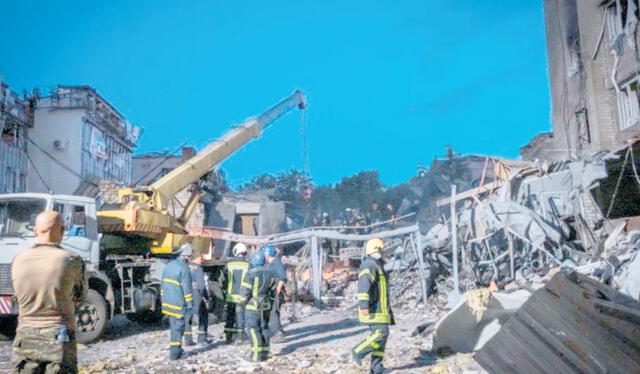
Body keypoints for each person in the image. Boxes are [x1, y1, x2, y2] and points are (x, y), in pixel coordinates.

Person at [11, 210, 87, 374]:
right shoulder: (71, 260)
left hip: (25, 335)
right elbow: (81, 296)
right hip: (59, 337)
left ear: (35, 231)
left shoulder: (18, 260)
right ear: (62, 231)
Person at [351, 238, 395, 374]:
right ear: (375, 250)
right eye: (381, 250)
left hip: (381, 310)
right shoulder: (368, 265)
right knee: (380, 333)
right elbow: (364, 287)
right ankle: (358, 351)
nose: (383, 253)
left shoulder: (377, 265)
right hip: (374, 310)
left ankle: (376, 368)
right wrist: (363, 305)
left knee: (383, 336)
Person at [241, 250, 277, 362]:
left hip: (252, 306)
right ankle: (265, 353)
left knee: (253, 329)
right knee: (264, 328)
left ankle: (256, 355)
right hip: (265, 305)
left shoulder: (250, 274)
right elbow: (273, 291)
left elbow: (245, 292)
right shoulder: (271, 273)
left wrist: (242, 303)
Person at [161, 243, 194, 360]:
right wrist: (190, 305)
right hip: (178, 304)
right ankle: (175, 354)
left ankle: (176, 350)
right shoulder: (184, 269)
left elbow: (162, 285)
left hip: (167, 303)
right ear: (186, 256)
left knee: (173, 327)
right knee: (178, 329)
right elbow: (187, 290)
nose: (190, 259)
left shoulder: (168, 265)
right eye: (190, 257)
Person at [223, 242, 250, 344]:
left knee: (230, 315)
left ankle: (228, 337)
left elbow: (223, 279)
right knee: (241, 316)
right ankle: (240, 337)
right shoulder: (248, 264)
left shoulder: (229, 264)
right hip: (242, 295)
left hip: (230, 295)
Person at [184, 248, 211, 346]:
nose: (202, 259)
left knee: (188, 317)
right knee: (203, 315)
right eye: (201, 257)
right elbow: (202, 286)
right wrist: (206, 297)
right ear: (195, 258)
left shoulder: (185, 267)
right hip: (197, 295)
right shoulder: (198, 268)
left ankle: (188, 340)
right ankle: (202, 338)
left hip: (187, 295)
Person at [263, 245, 287, 341]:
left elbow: (282, 278)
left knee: (274, 312)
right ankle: (278, 329)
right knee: (272, 312)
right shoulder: (271, 263)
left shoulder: (277, 263)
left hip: (276, 292)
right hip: (271, 292)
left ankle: (278, 334)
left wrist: (277, 290)